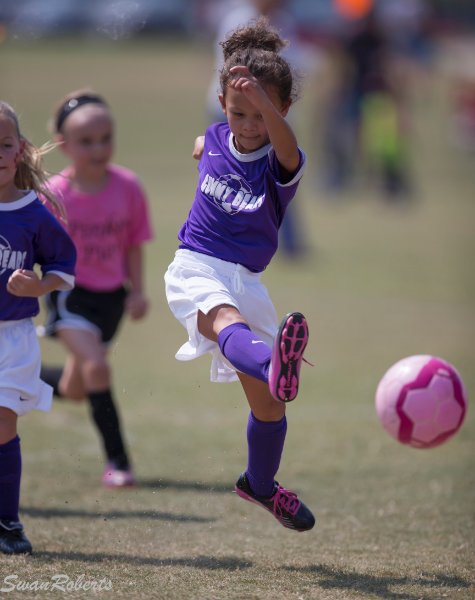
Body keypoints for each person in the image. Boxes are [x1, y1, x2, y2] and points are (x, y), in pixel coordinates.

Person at [164, 18, 315, 532]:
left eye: (261, 114)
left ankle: (260, 485)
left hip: (247, 279)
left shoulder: (282, 162)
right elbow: (207, 142)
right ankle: (276, 362)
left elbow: (285, 142)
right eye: (238, 113)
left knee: (270, 406)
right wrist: (202, 145)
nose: (248, 125)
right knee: (227, 323)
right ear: (224, 108)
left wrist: (266, 109)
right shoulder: (216, 135)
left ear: (282, 111)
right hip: (195, 266)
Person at [39, 90, 153, 488]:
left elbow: (134, 243)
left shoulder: (128, 187)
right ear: (65, 145)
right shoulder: (55, 194)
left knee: (76, 387)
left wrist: (138, 291)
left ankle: (16, 375)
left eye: (106, 138)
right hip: (69, 294)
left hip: (112, 299)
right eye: (87, 141)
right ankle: (119, 461)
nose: (98, 148)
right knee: (99, 368)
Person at [0, 101, 76, 554]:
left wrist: (36, 286)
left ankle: (8, 521)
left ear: (20, 149)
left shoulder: (34, 213)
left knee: (3, 423)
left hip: (13, 338)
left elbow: (64, 266)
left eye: (4, 144)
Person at [206, 0, 310, 258]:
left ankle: (288, 242)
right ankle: (227, 238)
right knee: (227, 178)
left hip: (272, 115)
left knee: (281, 175)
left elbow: (292, 68)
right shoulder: (237, 19)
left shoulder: (285, 22)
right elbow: (230, 72)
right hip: (232, 110)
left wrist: (273, 110)